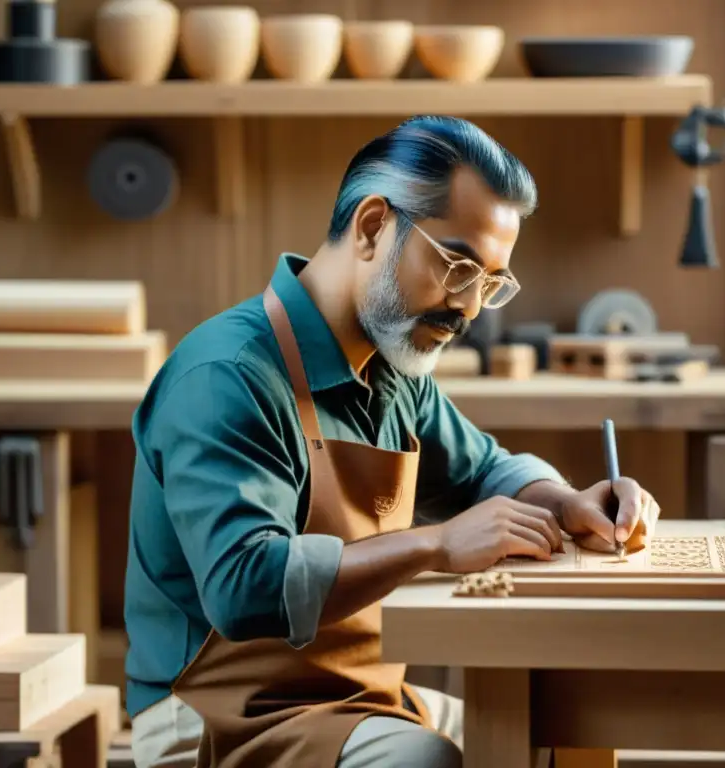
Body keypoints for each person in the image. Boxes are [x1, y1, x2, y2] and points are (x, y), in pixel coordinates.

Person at [124, 115, 660, 768]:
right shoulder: (228, 376)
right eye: (458, 267)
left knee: (557, 733)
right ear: (374, 226)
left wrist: (565, 500)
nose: (466, 311)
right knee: (436, 762)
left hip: (360, 699)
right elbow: (242, 586)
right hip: (218, 721)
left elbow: (481, 470)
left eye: (488, 285)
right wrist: (437, 544)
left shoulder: (389, 366)